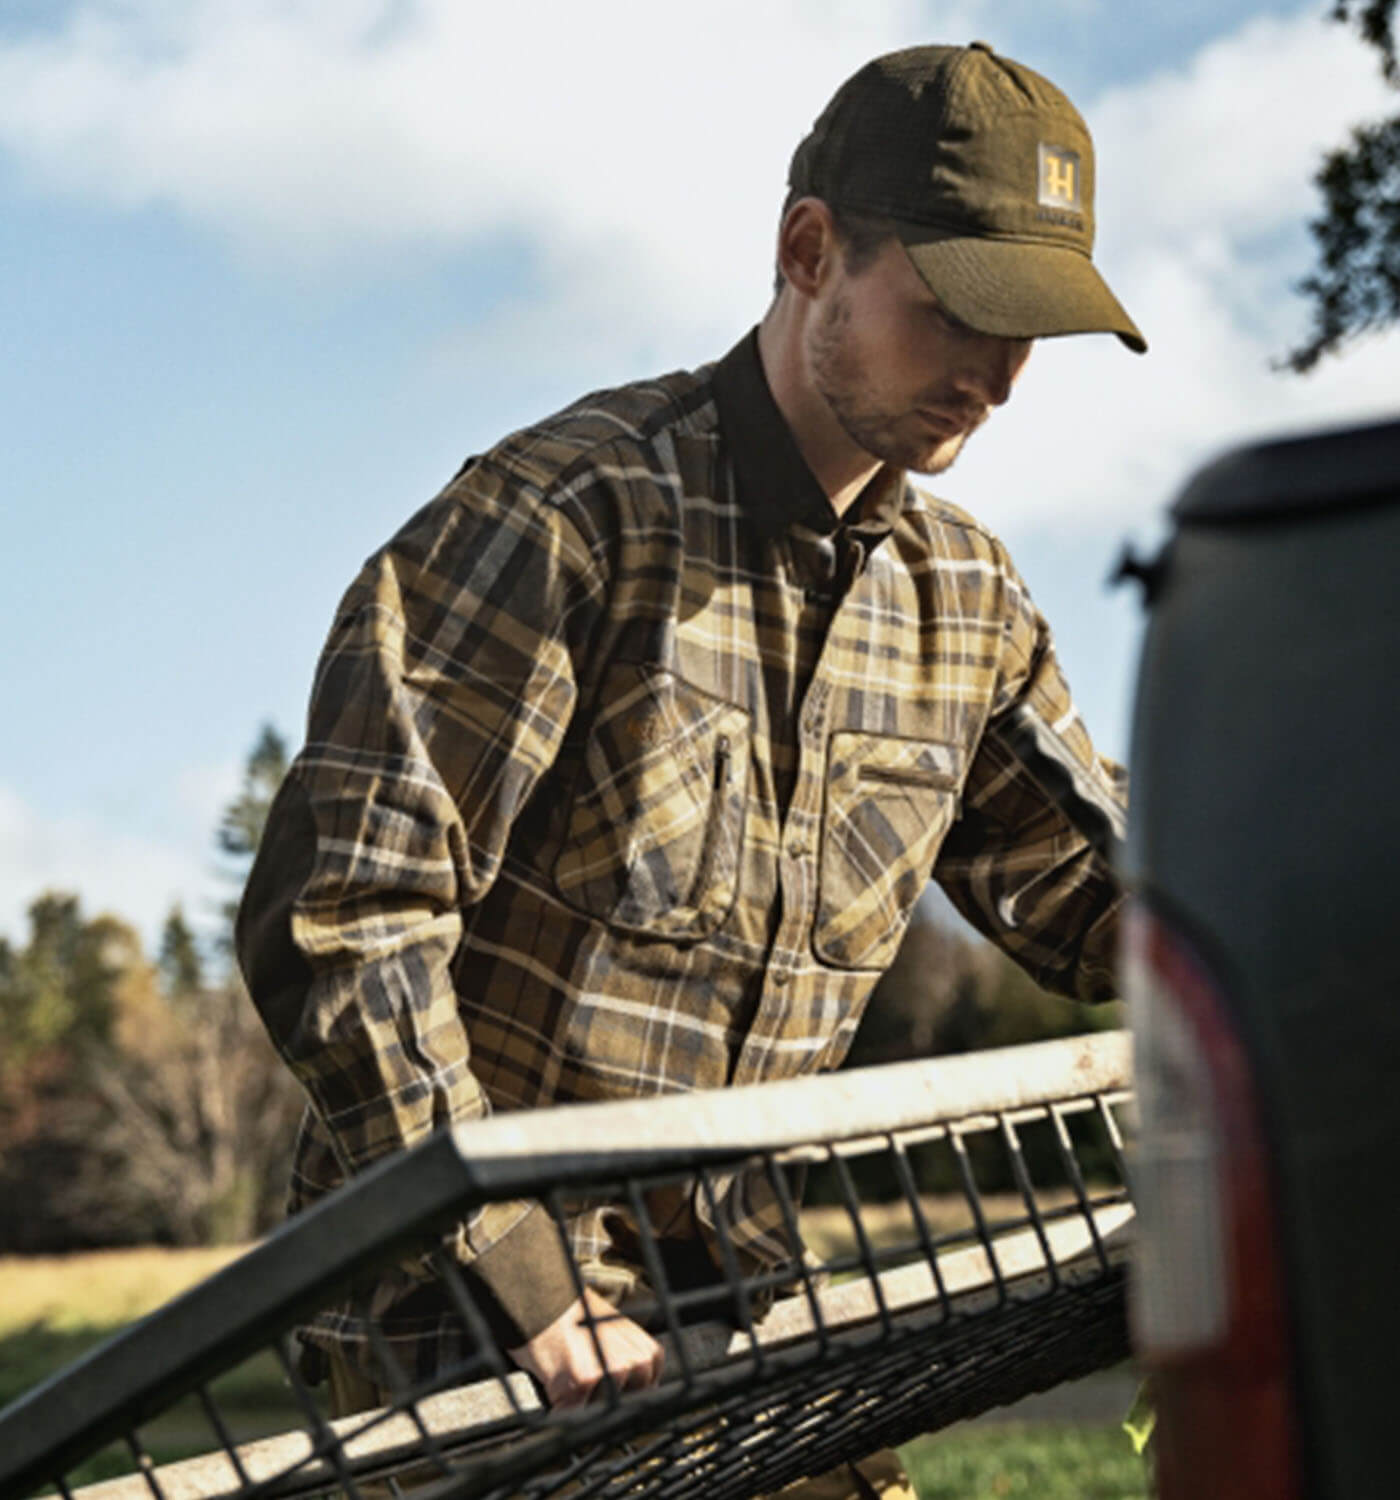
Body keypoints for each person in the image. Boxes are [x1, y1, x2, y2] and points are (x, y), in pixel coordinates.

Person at [237, 40, 1143, 1499]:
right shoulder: (567, 521)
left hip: (736, 1315)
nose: (999, 377)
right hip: (457, 1339)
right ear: (809, 250)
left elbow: (1104, 897)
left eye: (1035, 332)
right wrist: (527, 1283)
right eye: (961, 310)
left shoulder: (966, 608)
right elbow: (346, 913)